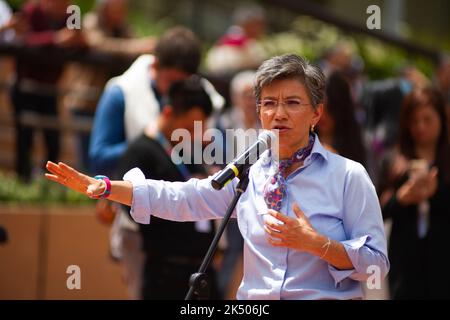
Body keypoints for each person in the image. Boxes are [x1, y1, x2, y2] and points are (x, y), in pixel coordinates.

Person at [46, 54, 389, 300]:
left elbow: (376, 265)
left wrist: (316, 244)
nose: (278, 114)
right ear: (258, 112)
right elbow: (185, 197)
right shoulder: (250, 170)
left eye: (293, 103)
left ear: (316, 112)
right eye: (269, 103)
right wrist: (106, 187)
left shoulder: (348, 176)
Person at [87, 26, 223, 299]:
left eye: (183, 81)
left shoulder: (201, 95)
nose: (173, 89)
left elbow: (212, 152)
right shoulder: (120, 91)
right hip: (142, 229)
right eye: (171, 79)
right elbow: (99, 156)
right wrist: (154, 144)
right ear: (156, 65)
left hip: (194, 229)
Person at [114, 76, 218, 299]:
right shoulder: (140, 152)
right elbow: (132, 206)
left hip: (203, 271)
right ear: (169, 113)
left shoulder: (188, 151)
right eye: (190, 126)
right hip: (165, 273)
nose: (194, 134)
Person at [380, 87, 450, 299]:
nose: (420, 127)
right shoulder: (394, 162)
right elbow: (376, 211)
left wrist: (436, 192)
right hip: (405, 263)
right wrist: (401, 198)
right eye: (414, 121)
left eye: (427, 120)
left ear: (441, 119)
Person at [10, 0, 85, 181]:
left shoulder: (71, 14)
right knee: (25, 138)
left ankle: (49, 183)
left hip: (50, 90)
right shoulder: (32, 10)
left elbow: (78, 40)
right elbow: (22, 39)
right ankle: (24, 181)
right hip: (25, 87)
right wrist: (55, 39)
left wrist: (79, 39)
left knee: (53, 140)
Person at [317, 71, 367, 168]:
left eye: (330, 109)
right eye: (317, 108)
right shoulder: (299, 143)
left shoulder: (357, 145)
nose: (322, 116)